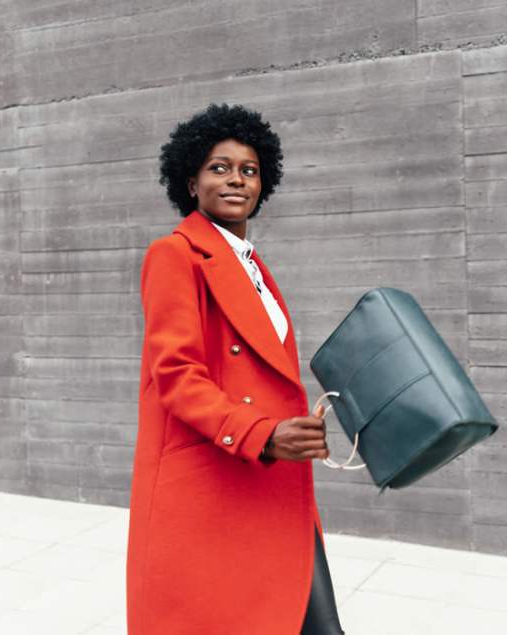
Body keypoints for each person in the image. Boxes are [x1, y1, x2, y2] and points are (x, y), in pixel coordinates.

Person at [126, 103, 346, 635]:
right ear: (191, 181)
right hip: (221, 478)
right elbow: (176, 374)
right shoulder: (175, 254)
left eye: (249, 170)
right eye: (219, 168)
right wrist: (263, 435)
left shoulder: (252, 266)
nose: (236, 180)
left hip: (270, 483)